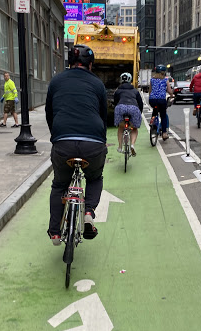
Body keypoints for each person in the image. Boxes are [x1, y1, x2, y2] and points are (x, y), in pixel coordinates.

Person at [45, 44, 108, 245]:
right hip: (93, 142)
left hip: (63, 141)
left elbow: (49, 113)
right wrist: (101, 140)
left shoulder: (56, 81)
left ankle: (55, 232)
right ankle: (88, 210)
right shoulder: (98, 84)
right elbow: (103, 114)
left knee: (59, 185)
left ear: (70, 63)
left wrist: (56, 135)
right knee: (95, 178)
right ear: (90, 65)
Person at [113, 72, 144, 156]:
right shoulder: (135, 91)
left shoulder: (118, 91)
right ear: (130, 80)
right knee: (134, 129)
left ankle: (120, 147)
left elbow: (115, 102)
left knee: (121, 127)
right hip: (133, 108)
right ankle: (132, 145)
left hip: (121, 108)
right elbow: (140, 103)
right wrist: (139, 113)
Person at [149, 65, 173, 140]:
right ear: (163, 72)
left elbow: (150, 91)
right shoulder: (165, 80)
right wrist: (172, 95)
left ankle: (152, 121)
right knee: (163, 115)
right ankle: (164, 133)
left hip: (152, 100)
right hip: (161, 100)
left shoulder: (152, 80)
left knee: (155, 110)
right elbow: (169, 90)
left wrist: (151, 96)